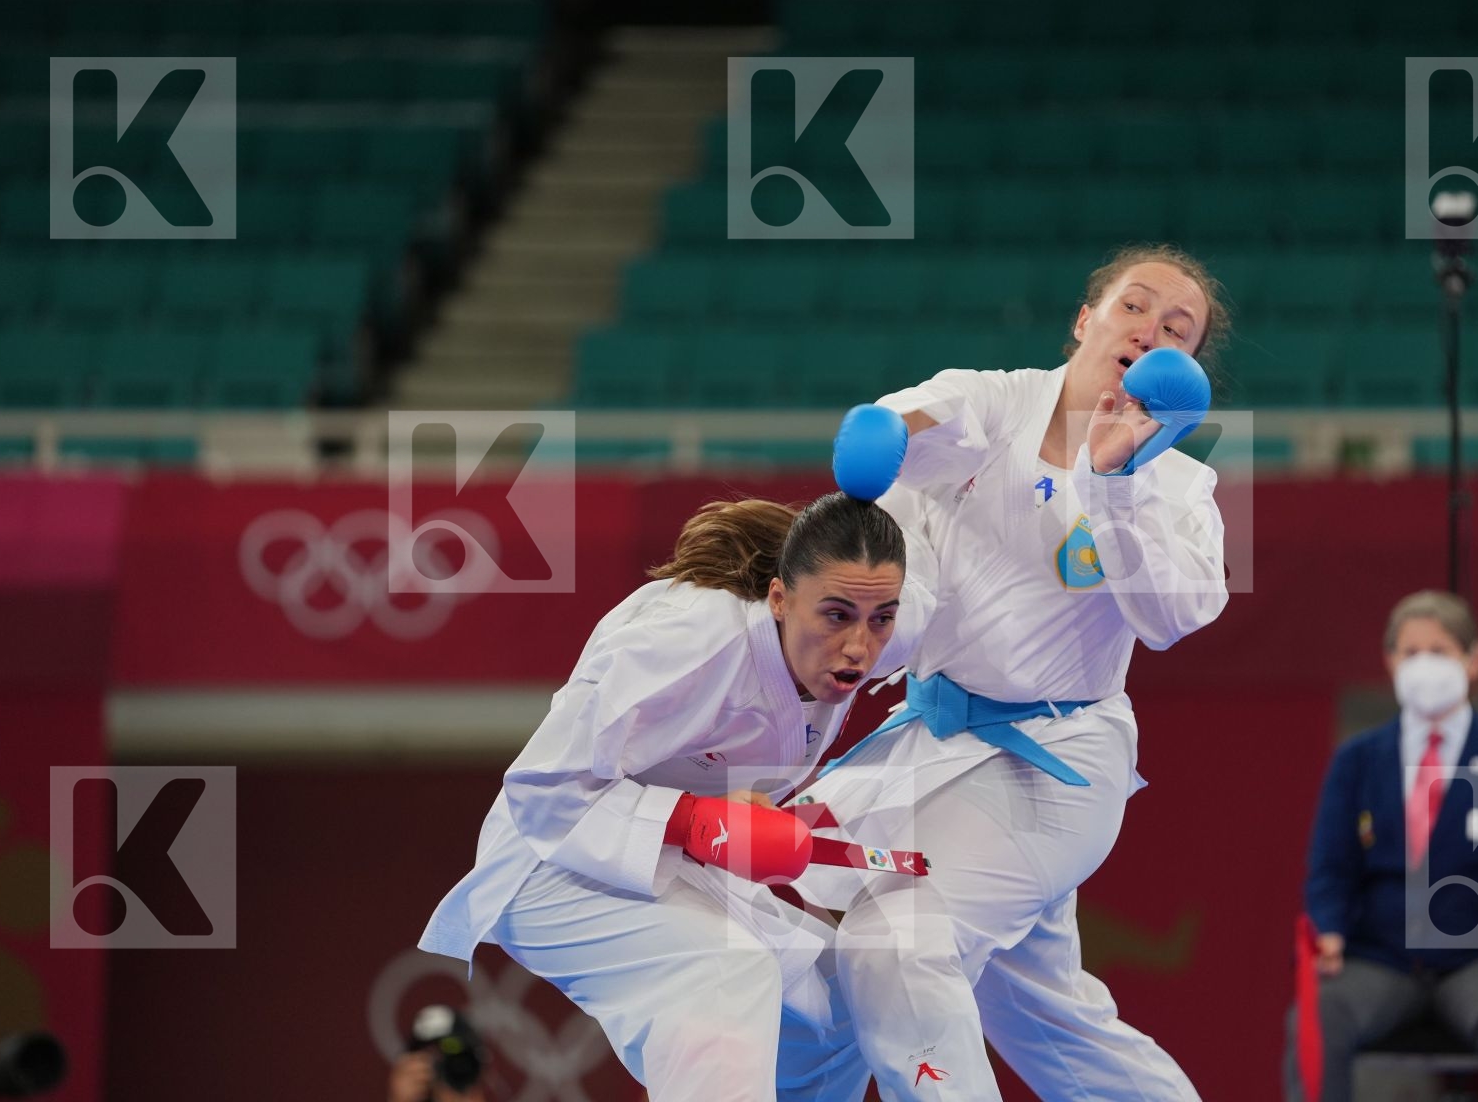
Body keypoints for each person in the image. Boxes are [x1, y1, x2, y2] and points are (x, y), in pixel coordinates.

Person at [792, 245, 1230, 1101]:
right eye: (1134, 307)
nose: (1150, 331)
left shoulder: (1176, 487)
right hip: (933, 741)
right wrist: (888, 428)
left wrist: (1112, 485)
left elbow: (1175, 618)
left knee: (895, 945)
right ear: (1085, 320)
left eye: (1177, 330)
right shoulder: (995, 402)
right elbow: (920, 420)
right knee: (1046, 1018)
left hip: (1052, 765)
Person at [418, 492, 931, 1102]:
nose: (859, 647)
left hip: (672, 863)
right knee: (725, 971)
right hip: (551, 859)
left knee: (843, 1006)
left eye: (881, 619)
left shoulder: (883, 620)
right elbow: (542, 788)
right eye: (837, 615)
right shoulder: (686, 641)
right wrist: (694, 820)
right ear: (778, 598)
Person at [1286, 589, 1478, 1102]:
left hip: (1476, 963)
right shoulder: (1357, 761)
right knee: (1319, 1010)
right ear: (1389, 660)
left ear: (1474, 658)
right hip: (1380, 961)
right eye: (1410, 652)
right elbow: (1330, 868)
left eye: (1438, 651)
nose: (1423, 665)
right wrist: (1329, 930)